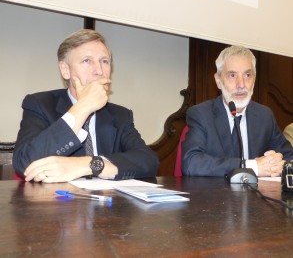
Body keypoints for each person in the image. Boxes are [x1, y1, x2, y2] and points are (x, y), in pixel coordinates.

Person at [13, 29, 159, 183]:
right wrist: (83, 107)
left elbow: (149, 162)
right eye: (87, 61)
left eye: (104, 61)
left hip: (109, 205)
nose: (99, 71)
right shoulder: (40, 104)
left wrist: (88, 164)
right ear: (65, 70)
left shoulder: (120, 115)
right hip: (58, 204)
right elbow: (25, 164)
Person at [182, 45, 293, 177]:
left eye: (247, 75)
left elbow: (289, 156)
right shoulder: (201, 114)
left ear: (254, 79)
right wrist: (252, 166)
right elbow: (191, 163)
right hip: (217, 196)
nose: (241, 84)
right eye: (232, 75)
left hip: (257, 196)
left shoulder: (264, 116)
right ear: (218, 80)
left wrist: (278, 163)